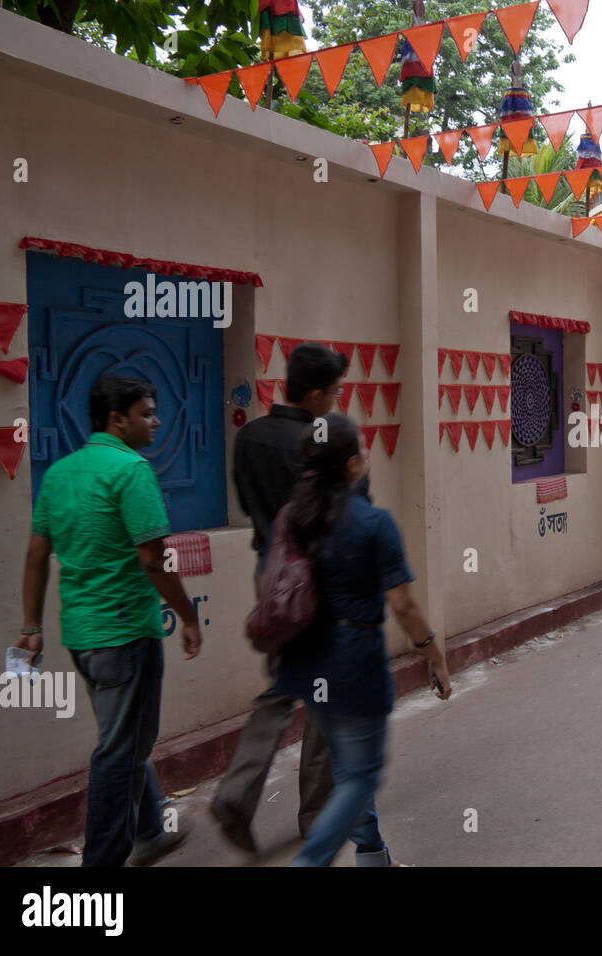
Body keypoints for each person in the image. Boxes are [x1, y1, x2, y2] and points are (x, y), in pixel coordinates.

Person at [18, 376, 202, 867]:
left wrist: (31, 626)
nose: (156, 422)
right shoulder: (130, 470)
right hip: (124, 636)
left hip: (81, 636)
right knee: (119, 753)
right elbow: (153, 557)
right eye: (146, 413)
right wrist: (188, 615)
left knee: (126, 738)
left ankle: (149, 831)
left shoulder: (60, 473)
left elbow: (37, 554)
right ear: (116, 419)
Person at [271, 413, 452, 864]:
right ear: (352, 464)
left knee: (348, 765)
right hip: (354, 661)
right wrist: (435, 655)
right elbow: (404, 606)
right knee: (360, 775)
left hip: (309, 659)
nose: (368, 457)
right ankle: (309, 862)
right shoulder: (373, 523)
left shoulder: (296, 517)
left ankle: (372, 854)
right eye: (364, 451)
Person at [212, 343, 346, 853]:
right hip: (316, 583)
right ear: (314, 393)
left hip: (268, 578)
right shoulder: (318, 443)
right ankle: (316, 815)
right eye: (333, 391)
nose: (336, 401)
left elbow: (248, 503)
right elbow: (334, 520)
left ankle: (238, 789)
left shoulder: (250, 437)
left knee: (281, 687)